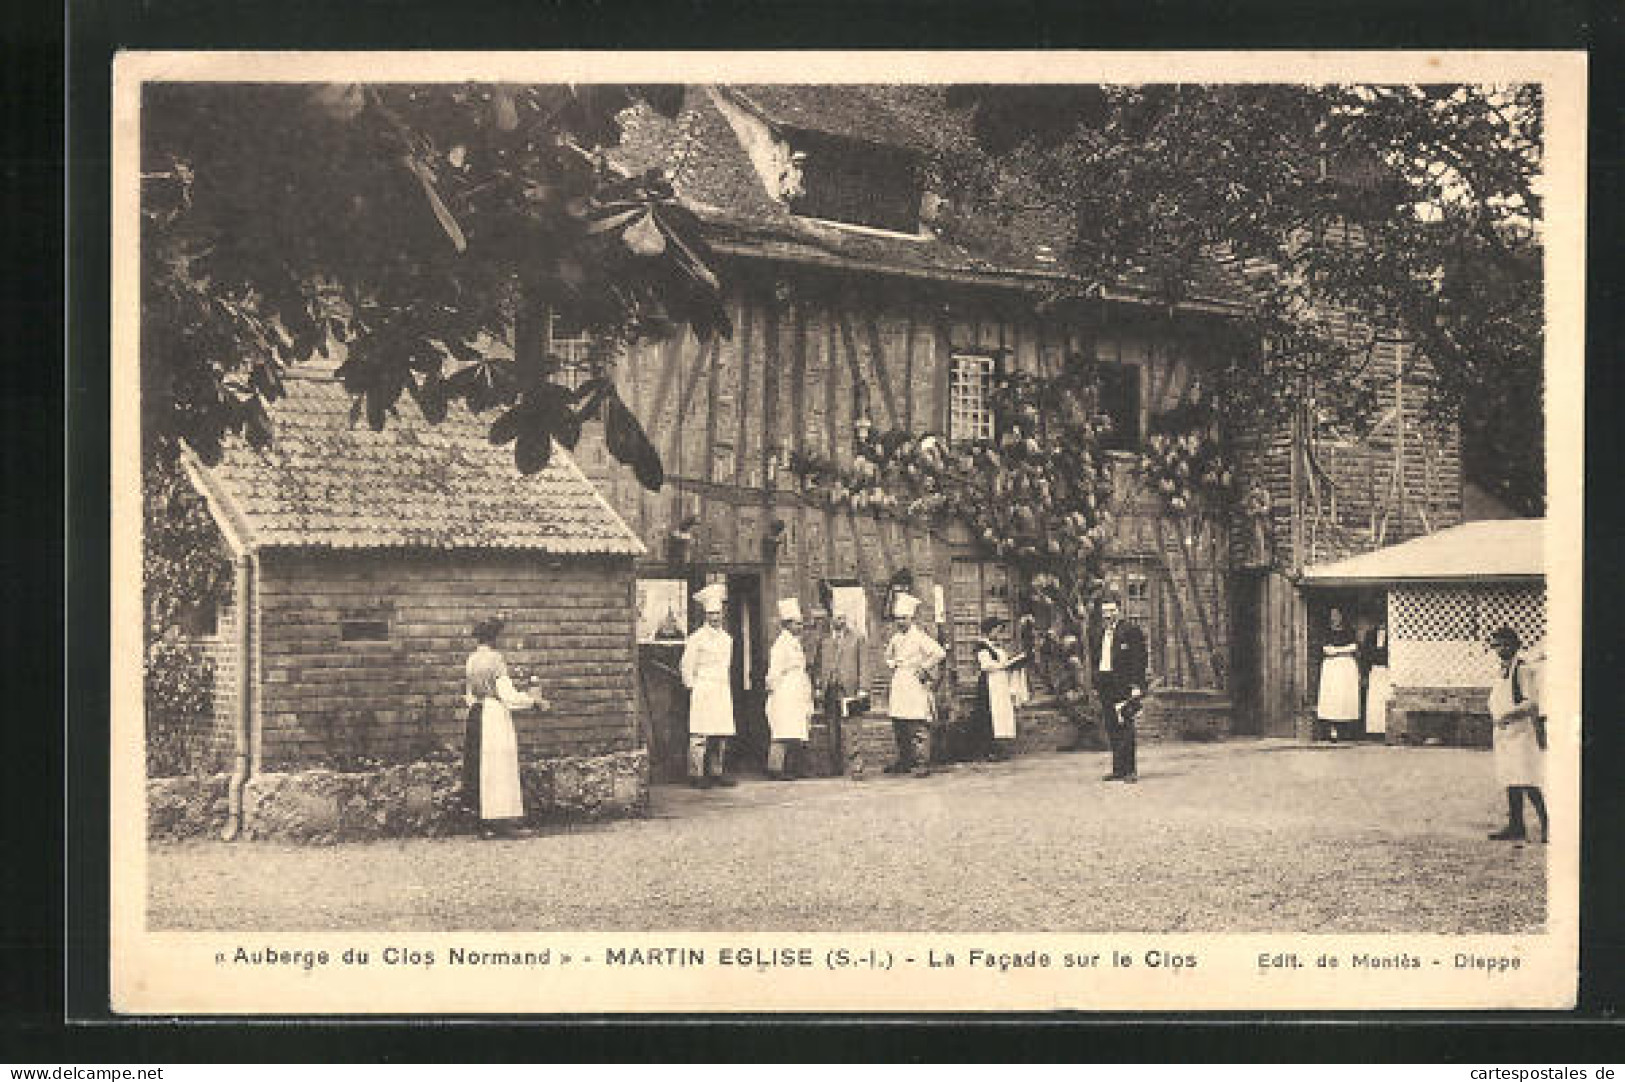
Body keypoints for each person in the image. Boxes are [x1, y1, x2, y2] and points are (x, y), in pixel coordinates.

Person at [462, 616, 550, 839]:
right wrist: (533, 700)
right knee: (499, 768)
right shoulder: (496, 660)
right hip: (493, 716)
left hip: (475, 714)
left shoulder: (471, 660)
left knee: (481, 768)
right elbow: (508, 696)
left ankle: (485, 823)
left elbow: (469, 695)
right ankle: (503, 821)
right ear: (495, 638)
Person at [1486, 626, 1548, 843]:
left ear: (1515, 645)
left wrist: (1507, 715)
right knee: (1510, 778)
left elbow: (1531, 703)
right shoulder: (1501, 670)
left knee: (1527, 779)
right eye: (1498, 645)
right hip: (1504, 733)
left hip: (1521, 732)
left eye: (1506, 644)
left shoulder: (1522, 669)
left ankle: (1547, 826)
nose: (1502, 649)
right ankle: (1516, 826)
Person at [680, 583, 738, 789]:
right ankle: (696, 774)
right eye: (711, 614)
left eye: (718, 613)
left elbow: (726, 665)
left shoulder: (727, 640)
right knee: (700, 734)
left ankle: (716, 772)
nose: (715, 618)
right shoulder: (696, 639)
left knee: (720, 733)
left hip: (721, 689)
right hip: (703, 688)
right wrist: (693, 686)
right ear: (706, 615)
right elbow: (686, 665)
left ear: (722, 614)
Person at [884, 592, 947, 777]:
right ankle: (904, 761)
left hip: (914, 681)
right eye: (897, 619)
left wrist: (923, 667)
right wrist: (893, 663)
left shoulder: (919, 636)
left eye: (903, 618)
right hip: (899, 681)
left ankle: (921, 762)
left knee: (917, 723)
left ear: (911, 618)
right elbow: (887, 656)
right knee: (900, 723)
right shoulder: (896, 638)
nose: (900, 622)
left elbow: (939, 652)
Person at [1091, 592, 1147, 783]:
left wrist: (1136, 686)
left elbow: (1139, 660)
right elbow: (1095, 658)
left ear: (1119, 610)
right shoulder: (1098, 632)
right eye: (1105, 611)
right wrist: (1096, 681)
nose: (1108, 615)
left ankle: (1130, 770)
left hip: (1123, 685)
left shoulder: (1130, 630)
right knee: (1111, 726)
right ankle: (1118, 769)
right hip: (1105, 683)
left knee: (1126, 725)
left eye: (1112, 610)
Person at [814, 606, 868, 777]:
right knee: (832, 729)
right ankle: (835, 766)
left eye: (843, 618)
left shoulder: (857, 638)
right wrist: (817, 686)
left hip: (850, 690)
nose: (840, 621)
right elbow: (817, 666)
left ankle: (857, 767)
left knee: (854, 728)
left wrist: (863, 688)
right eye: (837, 618)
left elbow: (864, 664)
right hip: (830, 690)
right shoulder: (824, 640)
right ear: (831, 619)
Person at [765, 597, 815, 780]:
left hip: (796, 690)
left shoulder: (794, 643)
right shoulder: (781, 645)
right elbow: (775, 671)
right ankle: (776, 769)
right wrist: (774, 693)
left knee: (796, 729)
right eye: (797, 624)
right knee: (782, 729)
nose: (800, 627)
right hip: (784, 691)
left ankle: (795, 768)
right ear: (787, 625)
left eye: (801, 624)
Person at [971, 616, 1024, 761]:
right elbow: (986, 665)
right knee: (989, 715)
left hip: (1000, 682)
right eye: (996, 630)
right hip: (989, 683)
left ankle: (998, 748)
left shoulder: (995, 646)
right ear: (989, 630)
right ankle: (988, 750)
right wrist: (1005, 665)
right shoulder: (982, 646)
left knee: (999, 714)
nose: (998, 633)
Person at [1316, 606, 1360, 742]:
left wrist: (1337, 651)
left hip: (1346, 667)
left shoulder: (1349, 631)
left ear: (1342, 616)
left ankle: (1345, 731)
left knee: (1345, 697)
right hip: (1332, 668)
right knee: (1332, 697)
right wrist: (1342, 650)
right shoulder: (1326, 632)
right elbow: (1327, 650)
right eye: (1332, 615)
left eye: (1337, 615)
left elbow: (1354, 647)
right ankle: (1332, 730)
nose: (1334, 618)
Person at [1361, 615, 1391, 738]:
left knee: (1385, 698)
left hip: (1387, 671)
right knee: (1373, 701)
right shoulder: (1370, 635)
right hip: (1374, 670)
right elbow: (1365, 654)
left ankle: (1386, 729)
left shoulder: (1393, 635)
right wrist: (1364, 673)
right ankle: (1373, 731)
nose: (1382, 623)